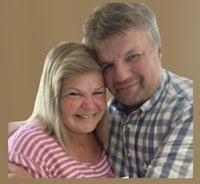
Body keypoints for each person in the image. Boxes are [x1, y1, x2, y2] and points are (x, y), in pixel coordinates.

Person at [8, 2, 193, 178]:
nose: (121, 76)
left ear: (159, 50)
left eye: (133, 56)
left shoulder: (188, 108)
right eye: (107, 65)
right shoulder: (106, 114)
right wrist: (28, 126)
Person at [8, 41, 115, 178]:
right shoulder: (32, 146)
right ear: (52, 97)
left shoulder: (106, 133)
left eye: (97, 92)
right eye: (74, 94)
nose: (89, 105)